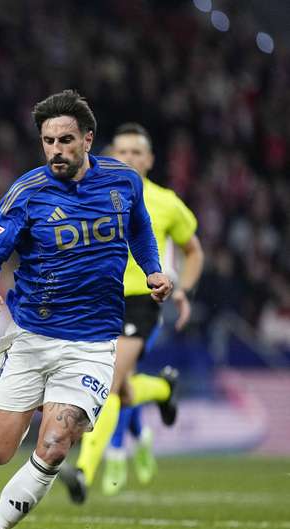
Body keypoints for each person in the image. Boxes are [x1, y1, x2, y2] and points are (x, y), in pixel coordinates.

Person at [0, 90, 172, 529]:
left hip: (94, 343)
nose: (55, 149)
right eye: (48, 141)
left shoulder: (123, 182)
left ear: (88, 140)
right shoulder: (27, 192)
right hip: (32, 336)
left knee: (56, 440)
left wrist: (153, 269)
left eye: (65, 140)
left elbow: (139, 228)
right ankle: (41, 396)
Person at [77, 123, 203, 497]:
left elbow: (193, 250)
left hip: (142, 301)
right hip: (100, 299)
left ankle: (82, 471)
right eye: (122, 152)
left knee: (108, 383)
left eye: (137, 152)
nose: (129, 158)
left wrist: (184, 290)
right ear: (109, 156)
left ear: (149, 159)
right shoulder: (93, 194)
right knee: (123, 389)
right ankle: (164, 387)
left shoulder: (166, 201)